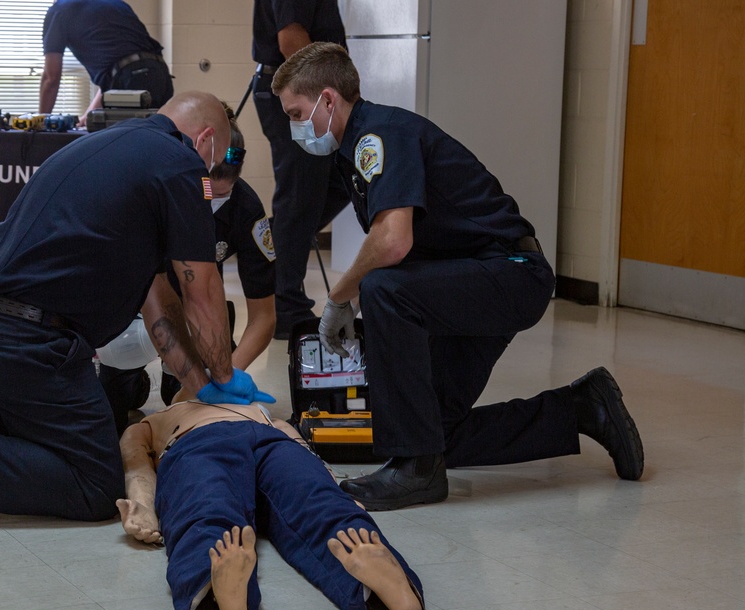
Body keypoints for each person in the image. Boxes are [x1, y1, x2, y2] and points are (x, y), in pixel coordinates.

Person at [0, 91, 274, 525]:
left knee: (52, 446)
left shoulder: (113, 146)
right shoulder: (181, 165)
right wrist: (224, 376)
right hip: (30, 342)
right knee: (98, 484)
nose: (210, 173)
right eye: (214, 161)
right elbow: (202, 292)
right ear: (205, 141)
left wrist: (201, 388)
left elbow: (159, 306)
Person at [269, 42, 644, 510]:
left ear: (327, 99)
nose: (294, 127)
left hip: (510, 272)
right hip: (475, 275)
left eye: (297, 112)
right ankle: (583, 409)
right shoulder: (356, 149)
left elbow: (393, 241)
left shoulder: (379, 135)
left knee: (382, 289)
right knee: (435, 429)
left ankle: (414, 470)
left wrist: (339, 297)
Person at [116, 400, 425, 610]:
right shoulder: (152, 420)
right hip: (195, 443)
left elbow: (306, 452)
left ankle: (395, 595)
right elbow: (136, 465)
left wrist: (335, 488)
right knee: (207, 509)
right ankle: (222, 595)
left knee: (321, 502)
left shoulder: (258, 409)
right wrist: (142, 506)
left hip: (271, 441)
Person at [99, 103, 277, 425]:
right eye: (210, 194)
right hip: (137, 310)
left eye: (225, 195)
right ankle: (134, 382)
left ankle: (171, 379)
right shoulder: (159, 193)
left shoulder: (246, 210)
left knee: (191, 401)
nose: (214, 205)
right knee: (113, 405)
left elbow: (264, 316)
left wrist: (227, 376)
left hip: (199, 314)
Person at [251, 0, 351, 339]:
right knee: (299, 199)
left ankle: (261, 244)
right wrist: (325, 94)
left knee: (334, 185)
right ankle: (285, 305)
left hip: (303, 88)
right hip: (300, 90)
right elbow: (291, 38)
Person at [39, 0, 174, 124]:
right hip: (160, 74)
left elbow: (51, 78)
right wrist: (87, 117)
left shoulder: (58, 11)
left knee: (123, 142)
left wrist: (40, 124)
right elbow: (116, 73)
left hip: (133, 79)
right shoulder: (114, 4)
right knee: (154, 138)